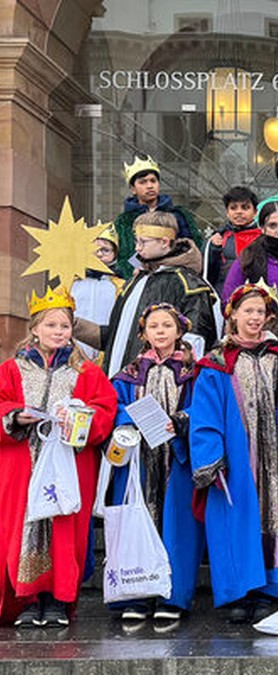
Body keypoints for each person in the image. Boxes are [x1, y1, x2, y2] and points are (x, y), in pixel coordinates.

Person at [190, 281, 278, 623]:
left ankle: (269, 589)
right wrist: (211, 458)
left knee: (273, 520)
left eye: (260, 311)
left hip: (273, 459)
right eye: (248, 311)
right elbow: (204, 414)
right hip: (234, 464)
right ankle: (235, 593)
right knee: (233, 520)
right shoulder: (216, 364)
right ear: (233, 315)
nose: (254, 317)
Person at [0, 286, 117, 627]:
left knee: (65, 530)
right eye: (51, 325)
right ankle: (28, 599)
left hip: (69, 465)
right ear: (35, 328)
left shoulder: (87, 372)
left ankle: (58, 601)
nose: (59, 332)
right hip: (23, 465)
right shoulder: (11, 369)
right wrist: (15, 416)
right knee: (22, 529)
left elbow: (106, 410)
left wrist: (82, 418)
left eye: (64, 326)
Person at [110, 303, 202, 623]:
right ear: (144, 333)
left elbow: (203, 408)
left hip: (177, 460)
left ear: (180, 331)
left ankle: (172, 596)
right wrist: (131, 419)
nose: (160, 331)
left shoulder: (194, 373)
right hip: (139, 463)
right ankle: (135, 595)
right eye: (154, 326)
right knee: (137, 522)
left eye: (167, 325)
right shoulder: (129, 373)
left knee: (177, 526)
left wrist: (179, 422)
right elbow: (114, 406)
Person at [75, 212, 221, 379]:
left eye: (143, 242)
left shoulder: (189, 285)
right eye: (137, 241)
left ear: (164, 242)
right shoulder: (135, 281)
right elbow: (113, 338)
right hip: (120, 387)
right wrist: (74, 325)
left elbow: (195, 344)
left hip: (161, 386)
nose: (137, 248)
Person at [115, 155, 203, 279]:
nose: (149, 185)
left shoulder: (179, 215)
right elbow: (123, 256)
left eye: (153, 181)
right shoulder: (124, 221)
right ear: (133, 189)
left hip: (173, 277)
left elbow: (191, 248)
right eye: (143, 182)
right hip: (138, 278)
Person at [71, 222, 123, 360]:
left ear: (115, 254)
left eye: (106, 250)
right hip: (73, 351)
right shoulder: (70, 284)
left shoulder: (121, 286)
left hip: (108, 352)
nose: (99, 254)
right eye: (94, 249)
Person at [203, 187, 261, 296]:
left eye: (245, 208)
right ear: (227, 213)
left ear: (255, 212)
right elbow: (208, 274)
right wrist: (213, 249)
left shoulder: (263, 239)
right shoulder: (218, 238)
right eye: (233, 208)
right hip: (224, 297)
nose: (239, 212)